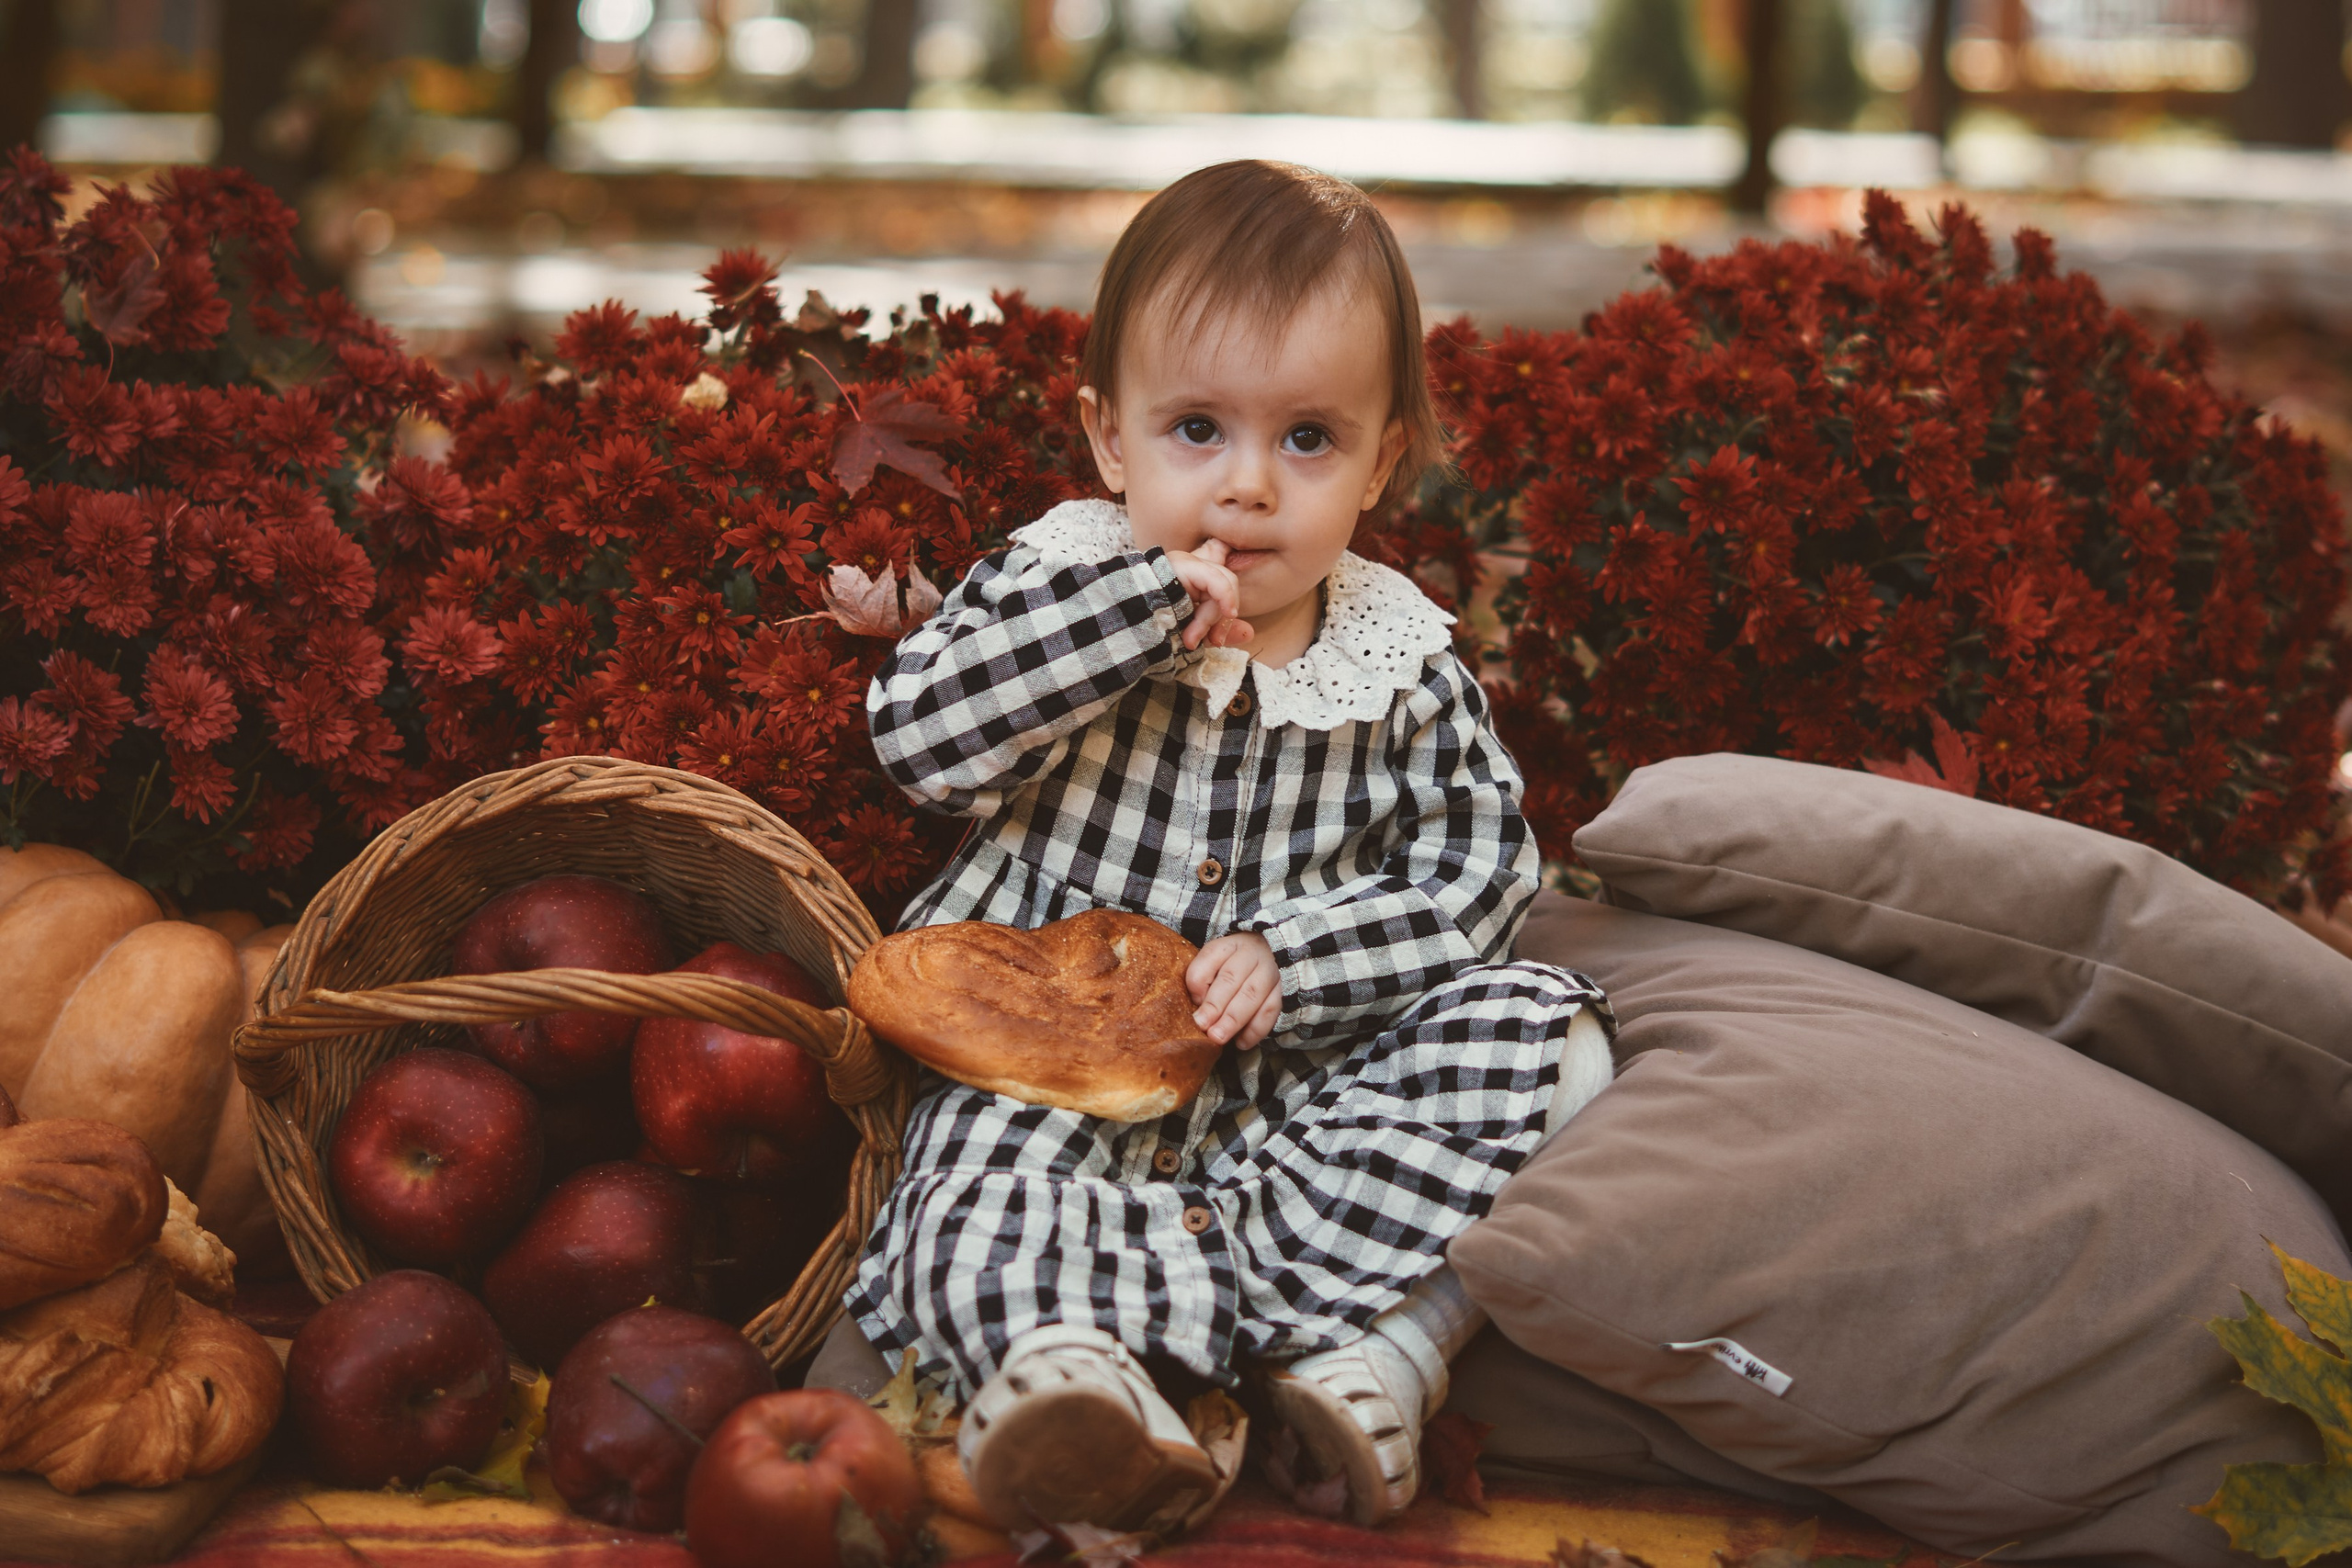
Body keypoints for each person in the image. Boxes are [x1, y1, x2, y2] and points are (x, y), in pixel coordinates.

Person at [841, 159, 1615, 1532]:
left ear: (1381, 462)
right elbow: (920, 742)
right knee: (967, 1186)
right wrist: (1120, 625)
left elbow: (1481, 871)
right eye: (1197, 429)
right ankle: (1064, 1386)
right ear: (1111, 442)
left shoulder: (1399, 664)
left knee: (1549, 1038)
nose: (1248, 489)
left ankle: (1385, 1354)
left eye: (1308, 440)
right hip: (1048, 1083)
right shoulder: (1055, 580)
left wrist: (1300, 958)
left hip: (1290, 1103)